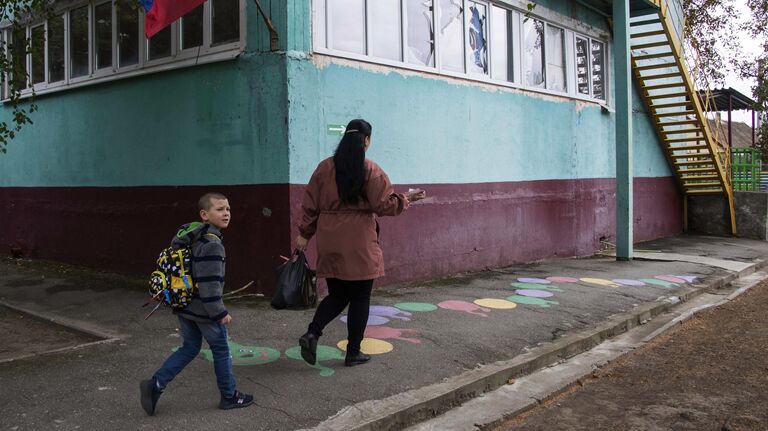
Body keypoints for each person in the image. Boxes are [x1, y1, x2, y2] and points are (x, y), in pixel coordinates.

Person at [295, 119, 426, 367]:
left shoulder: (324, 168)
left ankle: (312, 333)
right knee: (360, 297)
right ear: (366, 140)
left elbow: (310, 204)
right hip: (359, 240)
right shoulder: (371, 170)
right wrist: (406, 199)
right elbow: (384, 205)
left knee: (337, 294)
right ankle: (353, 352)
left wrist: (305, 233)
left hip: (330, 237)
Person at [140, 192, 253, 415]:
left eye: (228, 209)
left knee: (189, 347)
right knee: (221, 349)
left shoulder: (191, 238)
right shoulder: (212, 244)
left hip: (186, 307)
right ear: (204, 214)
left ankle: (156, 384)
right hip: (204, 310)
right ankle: (229, 396)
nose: (226, 213)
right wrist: (220, 313)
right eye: (219, 209)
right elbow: (209, 284)